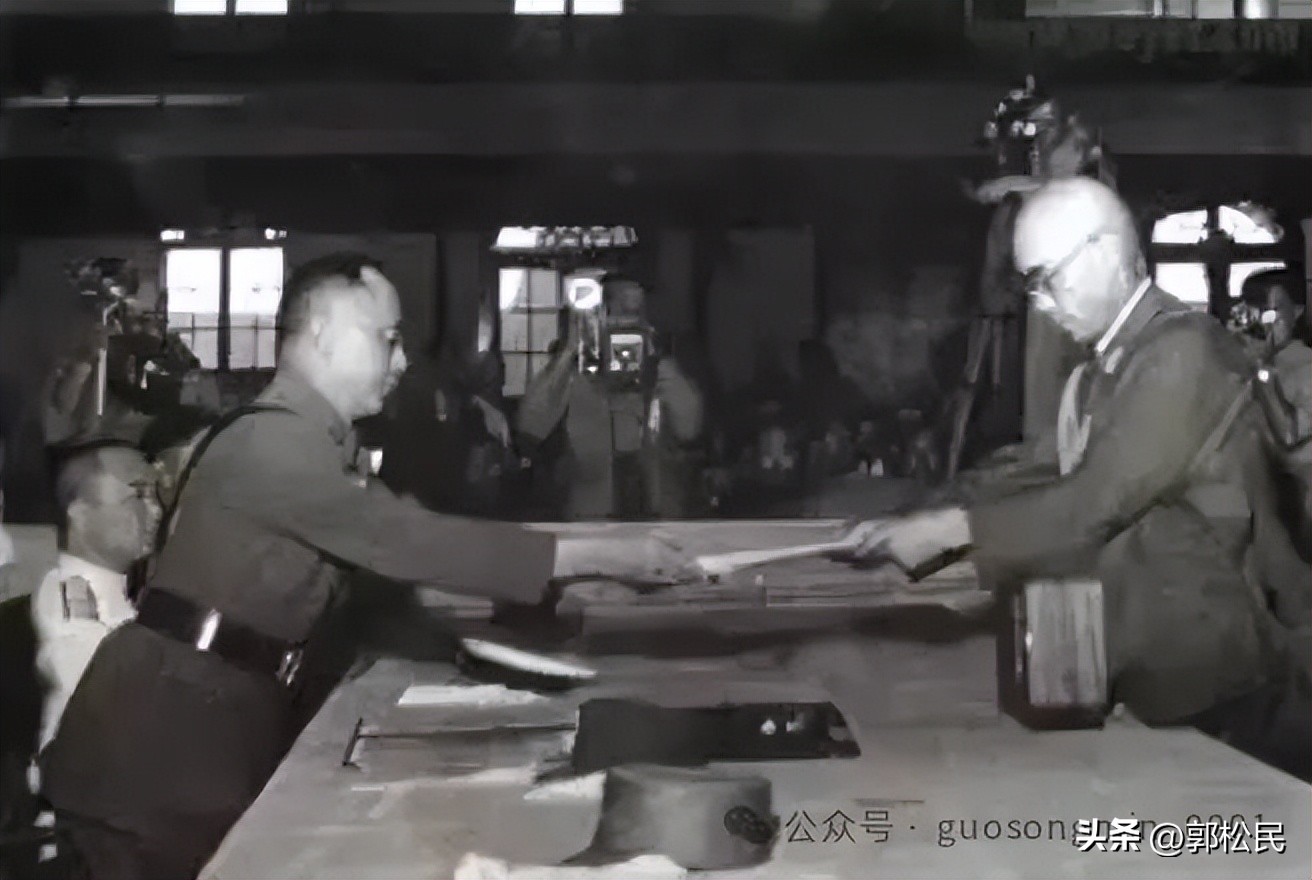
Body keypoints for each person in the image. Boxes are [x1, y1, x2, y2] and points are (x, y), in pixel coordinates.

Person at [38, 253, 694, 880]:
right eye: (387, 339)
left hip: (209, 718)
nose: (402, 361)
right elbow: (402, 539)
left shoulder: (318, 444)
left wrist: (506, 642)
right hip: (160, 739)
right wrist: (598, 553)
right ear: (324, 335)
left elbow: (382, 575)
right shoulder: (271, 441)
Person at [849, 178, 1310, 780]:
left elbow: (1096, 500)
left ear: (1105, 253)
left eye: (1048, 278)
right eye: (1030, 285)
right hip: (1151, 676)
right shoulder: (1103, 369)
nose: (1040, 302)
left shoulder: (1184, 352)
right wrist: (915, 512)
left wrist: (953, 532)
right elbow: (1035, 464)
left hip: (1214, 685)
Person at [517, 278, 704, 520]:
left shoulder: (660, 372)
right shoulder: (579, 374)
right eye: (620, 313)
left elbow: (690, 428)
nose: (624, 328)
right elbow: (530, 425)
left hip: (655, 518)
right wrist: (570, 352)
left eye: (634, 315)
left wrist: (659, 366)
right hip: (592, 517)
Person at [31, 444, 161, 753]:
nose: (156, 511)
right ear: (81, 514)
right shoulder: (67, 593)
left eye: (155, 495)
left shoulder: (126, 592)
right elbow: (105, 695)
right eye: (137, 496)